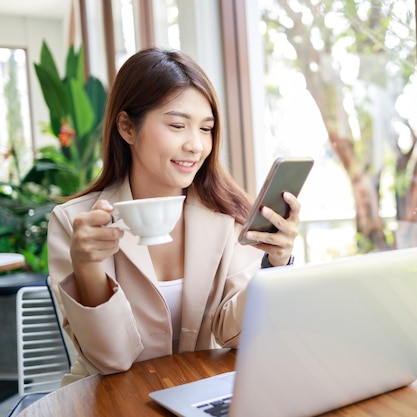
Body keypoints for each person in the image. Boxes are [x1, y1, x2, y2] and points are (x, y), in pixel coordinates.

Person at [47, 48, 300, 383]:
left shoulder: (226, 215)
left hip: (200, 392)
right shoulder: (76, 224)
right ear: (127, 128)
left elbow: (234, 335)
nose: (195, 145)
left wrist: (276, 266)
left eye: (206, 128)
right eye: (178, 125)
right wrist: (87, 267)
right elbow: (111, 360)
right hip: (110, 402)